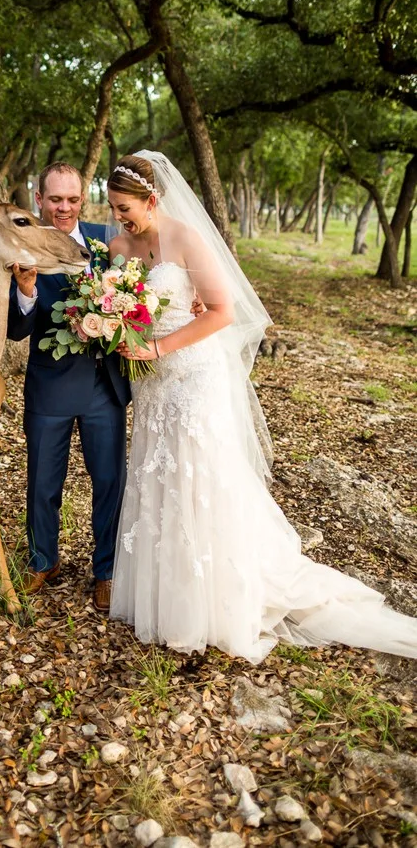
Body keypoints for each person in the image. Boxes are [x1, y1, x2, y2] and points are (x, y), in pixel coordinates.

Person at [106, 152, 417, 659]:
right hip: (152, 385)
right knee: (158, 477)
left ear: (152, 199)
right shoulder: (118, 247)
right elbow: (120, 307)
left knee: (197, 477)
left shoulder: (186, 238)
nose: (119, 217)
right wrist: (118, 331)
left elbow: (222, 312)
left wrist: (158, 347)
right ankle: (167, 595)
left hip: (192, 376)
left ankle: (215, 598)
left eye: (125, 208)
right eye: (115, 208)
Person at [4, 162, 127, 612]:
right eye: (55, 199)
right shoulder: (22, 244)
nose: (64, 207)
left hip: (103, 385)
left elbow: (140, 289)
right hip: (50, 387)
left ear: (82, 198)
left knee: (110, 481)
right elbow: (16, 329)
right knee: (42, 481)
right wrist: (26, 291)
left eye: (72, 199)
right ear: (39, 200)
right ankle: (43, 560)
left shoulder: (106, 241)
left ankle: (107, 571)